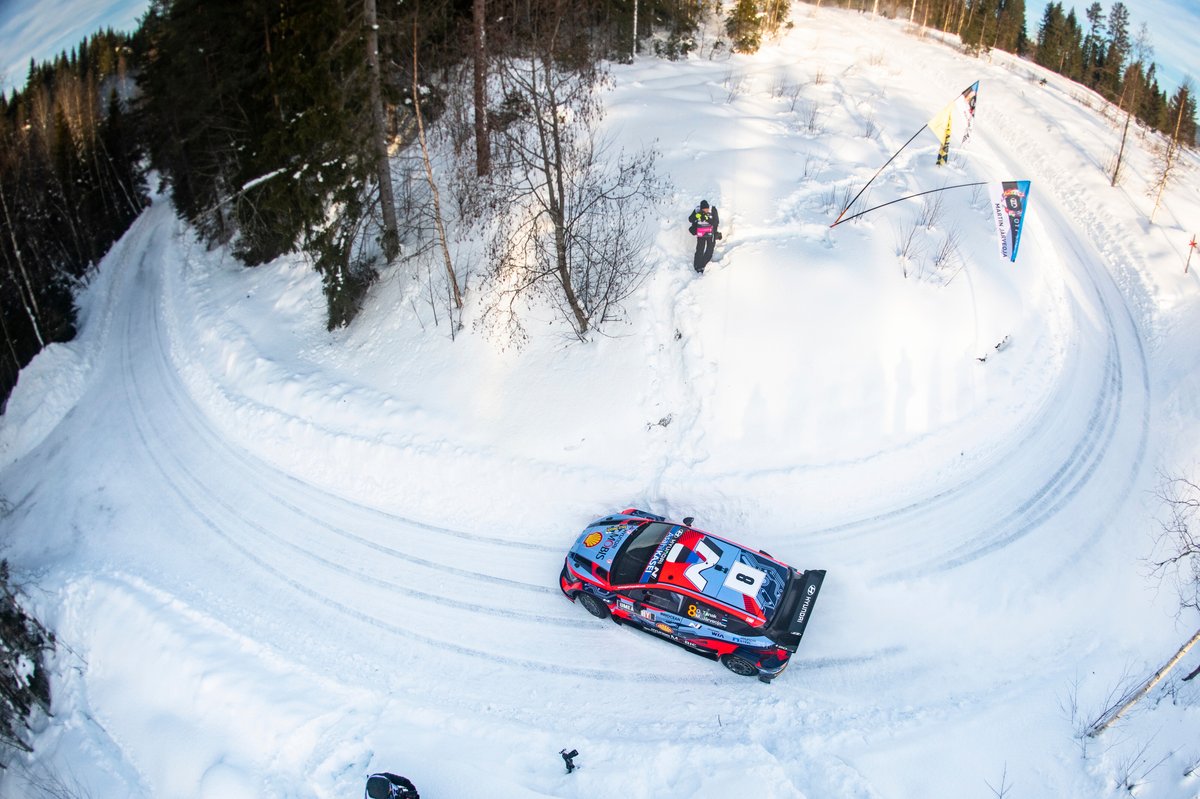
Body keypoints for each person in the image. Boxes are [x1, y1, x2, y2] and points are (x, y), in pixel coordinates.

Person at [688, 200, 721, 274]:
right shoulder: (697, 210)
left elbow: (716, 222)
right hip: (701, 233)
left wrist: (706, 218)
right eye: (703, 210)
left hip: (710, 233)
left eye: (706, 209)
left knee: (709, 250)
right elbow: (690, 219)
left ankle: (703, 265)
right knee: (700, 249)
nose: (705, 211)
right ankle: (697, 266)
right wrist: (697, 216)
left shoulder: (713, 210)